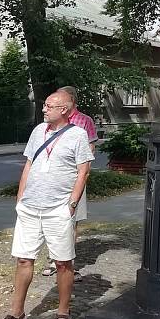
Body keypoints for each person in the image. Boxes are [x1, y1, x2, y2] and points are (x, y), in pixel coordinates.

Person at [0, 91, 94, 319]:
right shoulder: (38, 131)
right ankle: (16, 313)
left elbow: (84, 172)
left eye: (50, 106)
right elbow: (29, 164)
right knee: (24, 259)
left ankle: (63, 312)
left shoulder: (78, 135)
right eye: (45, 105)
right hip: (29, 207)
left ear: (65, 110)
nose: (44, 109)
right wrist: (20, 196)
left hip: (58, 208)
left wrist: (71, 204)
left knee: (62, 262)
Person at [42, 85, 98, 282]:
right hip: (52, 181)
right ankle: (51, 260)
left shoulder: (84, 121)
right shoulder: (51, 119)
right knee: (50, 219)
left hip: (75, 179)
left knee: (71, 221)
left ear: (70, 100)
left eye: (60, 97)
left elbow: (90, 151)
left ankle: (67, 263)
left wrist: (83, 176)